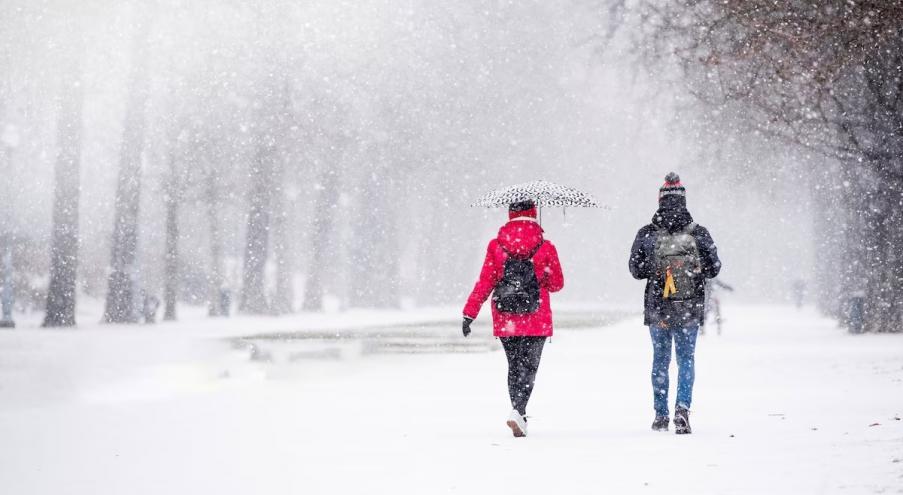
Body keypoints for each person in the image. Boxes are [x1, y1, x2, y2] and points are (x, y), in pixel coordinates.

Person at [462, 200, 564, 437]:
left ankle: (519, 413)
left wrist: (470, 313)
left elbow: (485, 281)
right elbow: (558, 284)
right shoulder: (546, 246)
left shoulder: (496, 246)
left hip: (506, 317)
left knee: (514, 366)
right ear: (533, 215)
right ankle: (519, 411)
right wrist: (543, 275)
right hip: (536, 318)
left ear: (510, 216)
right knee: (529, 368)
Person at [629, 173, 721, 434]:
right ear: (683, 201)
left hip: (658, 306)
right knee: (686, 359)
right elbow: (714, 268)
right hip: (689, 306)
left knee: (660, 359)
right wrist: (691, 268)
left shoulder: (647, 233)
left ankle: (660, 415)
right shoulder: (699, 233)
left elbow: (635, 270)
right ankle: (682, 409)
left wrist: (658, 269)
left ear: (660, 201)